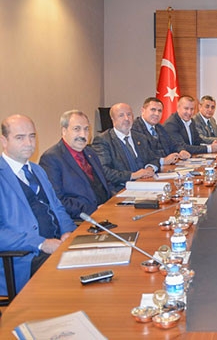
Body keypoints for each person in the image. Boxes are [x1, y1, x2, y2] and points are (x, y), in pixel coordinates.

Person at [0, 115, 76, 296]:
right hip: (23, 259)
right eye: (20, 137)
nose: (28, 143)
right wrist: (41, 244)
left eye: (32, 136)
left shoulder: (37, 170)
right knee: (75, 282)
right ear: (4, 141)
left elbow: (57, 208)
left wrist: (68, 232)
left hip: (56, 248)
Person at [39, 110, 112, 221]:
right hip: (81, 220)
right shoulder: (51, 158)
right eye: (77, 129)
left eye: (86, 129)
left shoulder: (90, 152)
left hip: (106, 212)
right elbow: (57, 200)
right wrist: (94, 210)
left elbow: (104, 184)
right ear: (64, 131)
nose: (83, 135)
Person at [92, 103, 160, 193]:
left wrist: (150, 168)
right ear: (113, 119)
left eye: (129, 114)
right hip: (121, 189)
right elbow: (104, 171)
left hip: (146, 184)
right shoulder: (103, 140)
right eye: (121, 115)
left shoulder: (140, 137)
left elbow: (154, 158)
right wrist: (133, 175)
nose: (126, 119)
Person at [133, 97, 191, 164]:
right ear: (143, 110)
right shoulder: (135, 128)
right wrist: (163, 161)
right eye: (153, 110)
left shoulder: (160, 127)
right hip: (149, 168)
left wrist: (181, 151)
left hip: (166, 167)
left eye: (159, 111)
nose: (157, 114)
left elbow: (173, 144)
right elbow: (144, 155)